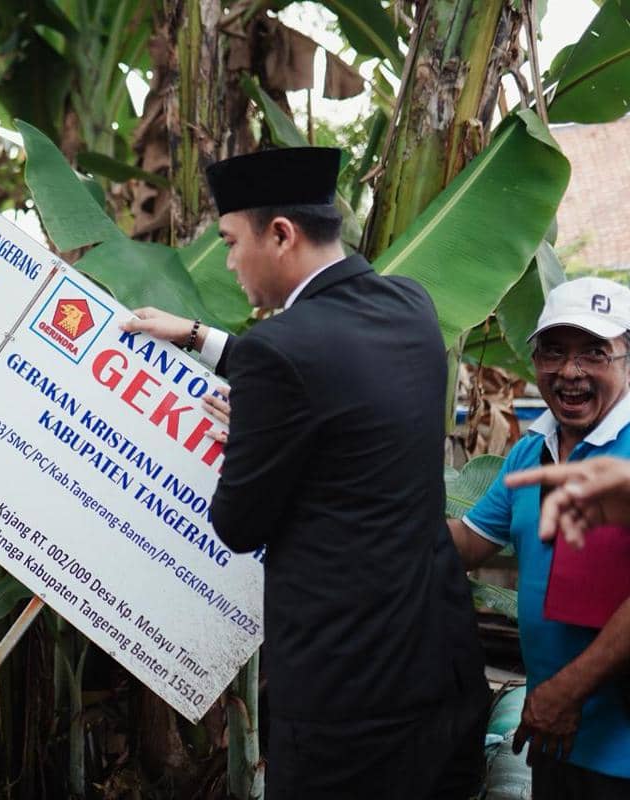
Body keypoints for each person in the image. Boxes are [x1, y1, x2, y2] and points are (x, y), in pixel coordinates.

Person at [121, 147, 487, 799]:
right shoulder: (407, 305)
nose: (229, 262)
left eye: (233, 242)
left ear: (281, 234)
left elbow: (239, 522)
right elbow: (339, 382)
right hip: (441, 667)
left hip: (347, 696)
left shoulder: (279, 352)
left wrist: (250, 436)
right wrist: (202, 338)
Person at [448, 277, 630, 798]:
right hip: (554, 735)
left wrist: (565, 693)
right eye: (554, 352)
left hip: (614, 740)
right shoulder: (533, 451)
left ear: (626, 359)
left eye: (594, 353)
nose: (570, 372)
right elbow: (465, 542)